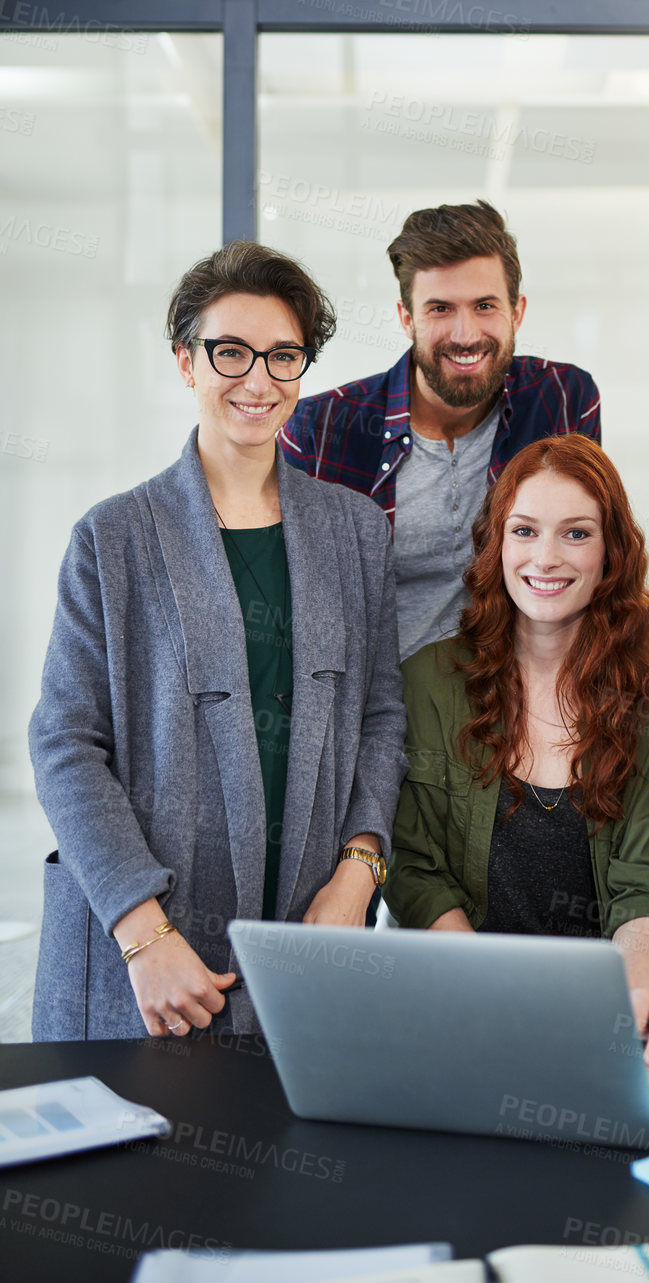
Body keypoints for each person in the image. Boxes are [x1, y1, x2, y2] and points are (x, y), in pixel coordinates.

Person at [29, 242, 408, 1042]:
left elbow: (381, 719)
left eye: (283, 355)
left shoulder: (355, 532)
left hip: (306, 942)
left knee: (292, 1156)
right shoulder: (115, 537)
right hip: (150, 961)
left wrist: (358, 872)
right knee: (137, 1165)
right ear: (185, 362)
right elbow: (65, 742)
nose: (258, 379)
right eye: (229, 352)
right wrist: (143, 931)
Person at [385, 433, 649, 1065]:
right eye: (524, 531)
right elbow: (415, 870)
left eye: (576, 533)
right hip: (456, 1006)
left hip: (592, 1020)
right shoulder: (426, 682)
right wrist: (494, 995)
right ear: (497, 543)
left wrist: (634, 1001)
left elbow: (646, 884)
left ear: (612, 550)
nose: (546, 558)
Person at [280, 199, 600, 661]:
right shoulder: (321, 431)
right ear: (407, 317)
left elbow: (591, 565)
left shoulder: (563, 400)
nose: (465, 334)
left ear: (518, 311)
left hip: (521, 706)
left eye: (485, 305)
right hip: (382, 717)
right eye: (440, 309)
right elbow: (295, 607)